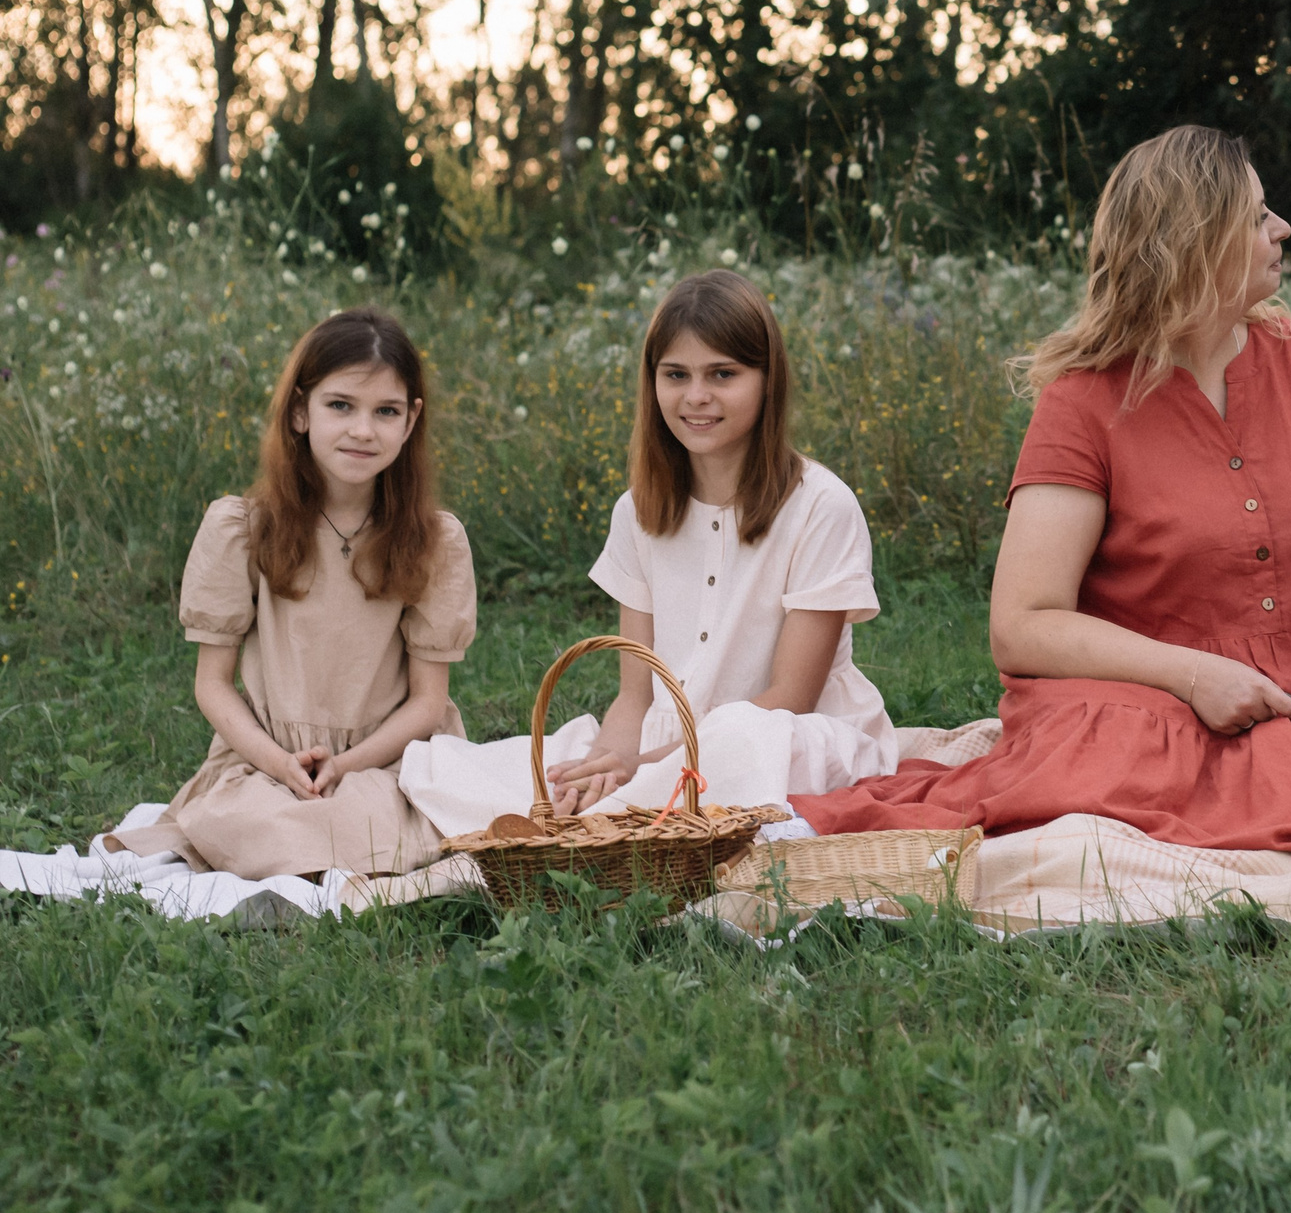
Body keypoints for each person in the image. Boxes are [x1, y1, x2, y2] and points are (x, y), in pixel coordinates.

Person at [790, 126, 1291, 852]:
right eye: (1258, 217)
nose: (1281, 228)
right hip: (1131, 693)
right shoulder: (1085, 399)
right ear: (1199, 244)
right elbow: (1024, 622)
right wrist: (1194, 676)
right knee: (1116, 773)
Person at [399, 269, 896, 832]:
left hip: (785, 743)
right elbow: (633, 698)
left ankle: (607, 820)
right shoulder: (637, 511)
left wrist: (642, 769)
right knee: (456, 765)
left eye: (723, 374)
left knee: (736, 743)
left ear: (767, 380)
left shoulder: (820, 507)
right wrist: (607, 766)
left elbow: (791, 698)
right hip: (662, 744)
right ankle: (604, 811)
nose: (696, 396)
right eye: (676, 374)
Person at [113, 309, 475, 878]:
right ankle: (286, 834)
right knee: (256, 825)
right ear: (301, 410)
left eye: (386, 412)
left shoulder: (433, 539)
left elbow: (429, 702)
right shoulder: (244, 527)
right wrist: (279, 764)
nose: (363, 429)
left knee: (370, 827)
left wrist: (347, 764)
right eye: (341, 406)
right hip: (265, 760)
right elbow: (212, 683)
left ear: (411, 422)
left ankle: (334, 838)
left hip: (384, 761)